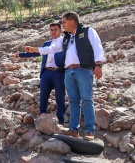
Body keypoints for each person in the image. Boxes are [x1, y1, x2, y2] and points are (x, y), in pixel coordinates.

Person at [23, 11, 105, 141]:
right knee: (73, 101)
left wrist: (98, 65)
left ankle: (89, 130)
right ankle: (73, 129)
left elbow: (98, 48)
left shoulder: (88, 31)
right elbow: (52, 49)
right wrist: (34, 50)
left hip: (83, 70)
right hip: (68, 72)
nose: (63, 25)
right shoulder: (66, 37)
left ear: (72, 22)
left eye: (64, 22)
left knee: (86, 99)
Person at [15, 23, 66, 125]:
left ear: (61, 30)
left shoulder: (65, 42)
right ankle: (43, 118)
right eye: (51, 30)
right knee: (43, 96)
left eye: (55, 29)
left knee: (60, 97)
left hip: (59, 72)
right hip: (46, 72)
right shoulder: (47, 43)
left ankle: (60, 120)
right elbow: (37, 53)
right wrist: (21, 55)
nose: (53, 31)